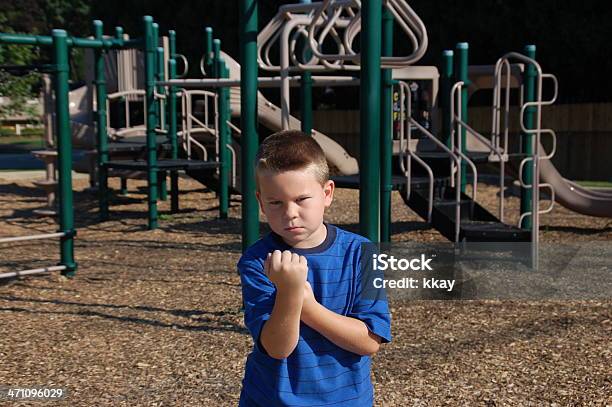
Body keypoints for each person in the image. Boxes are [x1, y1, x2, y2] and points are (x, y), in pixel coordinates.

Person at [238, 130, 392, 406]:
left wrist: (305, 304)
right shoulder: (257, 261)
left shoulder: (362, 254)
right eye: (276, 203)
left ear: (327, 193)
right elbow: (276, 347)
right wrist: (289, 293)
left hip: (346, 400)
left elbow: (369, 342)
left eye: (301, 199)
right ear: (261, 202)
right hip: (272, 399)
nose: (290, 213)